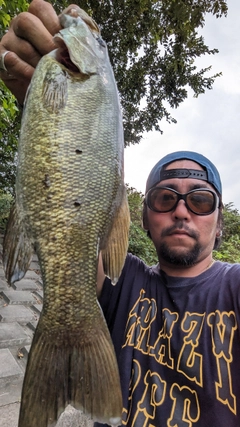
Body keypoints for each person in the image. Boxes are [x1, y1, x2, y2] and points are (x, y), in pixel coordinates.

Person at [1, 2, 240, 426]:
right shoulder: (126, 282)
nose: (183, 210)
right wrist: (45, 116)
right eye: (165, 198)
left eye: (200, 200)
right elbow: (70, 242)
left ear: (220, 222)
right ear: (140, 217)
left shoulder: (234, 289)